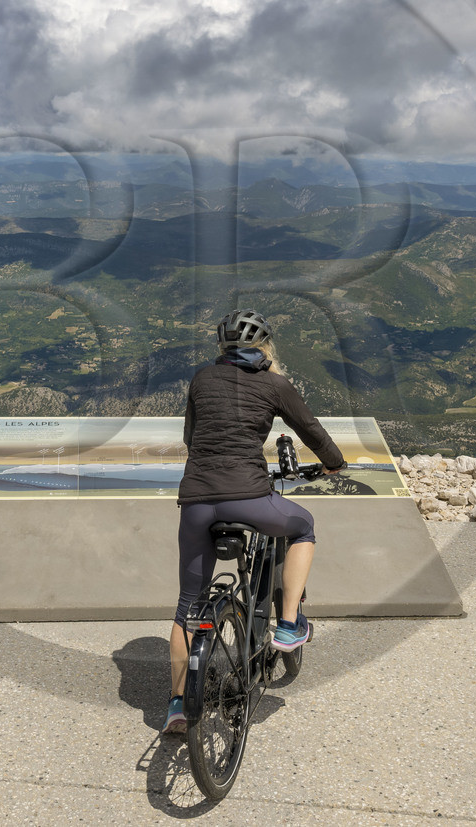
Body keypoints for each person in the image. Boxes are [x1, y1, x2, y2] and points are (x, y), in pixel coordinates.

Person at [163, 309, 345, 734]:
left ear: (221, 348)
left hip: (196, 502)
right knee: (303, 526)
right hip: (249, 497)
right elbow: (312, 431)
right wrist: (334, 464)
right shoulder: (275, 383)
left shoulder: (201, 379)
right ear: (265, 348)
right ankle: (286, 625)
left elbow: (192, 438)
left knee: (187, 605)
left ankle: (175, 707)